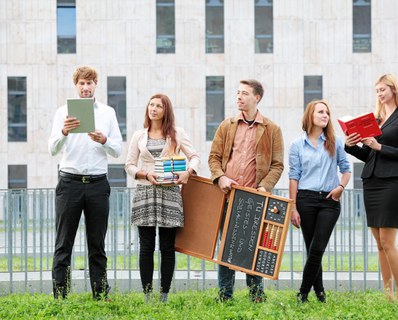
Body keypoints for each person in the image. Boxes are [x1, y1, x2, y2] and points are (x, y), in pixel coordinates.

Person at [48, 65, 123, 300]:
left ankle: (100, 293)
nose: (85, 87)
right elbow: (52, 149)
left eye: (89, 83)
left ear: (95, 85)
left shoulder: (108, 113)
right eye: (81, 83)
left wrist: (104, 139)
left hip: (98, 184)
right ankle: (60, 295)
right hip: (69, 183)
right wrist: (64, 132)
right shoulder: (63, 113)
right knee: (63, 243)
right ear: (76, 85)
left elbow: (118, 150)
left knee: (97, 244)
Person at [209, 79, 284, 303]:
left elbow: (277, 165)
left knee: (253, 245)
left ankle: (256, 295)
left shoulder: (272, 129)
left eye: (244, 93)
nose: (239, 97)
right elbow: (214, 157)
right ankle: (224, 296)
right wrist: (220, 177)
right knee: (226, 246)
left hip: (254, 197)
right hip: (228, 195)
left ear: (257, 97)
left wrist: (264, 187)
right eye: (237, 93)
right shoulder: (226, 125)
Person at [344, 74, 398, 303]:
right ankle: (388, 294)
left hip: (391, 182)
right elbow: (369, 155)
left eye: (382, 89)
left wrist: (379, 145)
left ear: (393, 90)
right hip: (371, 181)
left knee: (388, 241)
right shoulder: (376, 119)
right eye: (376, 91)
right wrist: (351, 146)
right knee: (378, 241)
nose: (379, 94)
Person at [125, 93, 200, 303]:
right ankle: (148, 295)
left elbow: (194, 156)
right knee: (146, 246)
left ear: (165, 110)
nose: (153, 109)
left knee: (167, 247)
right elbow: (129, 164)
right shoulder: (139, 135)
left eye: (158, 106)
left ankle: (164, 294)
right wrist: (144, 174)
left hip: (169, 194)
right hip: (145, 192)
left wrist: (188, 173)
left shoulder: (177, 133)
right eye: (151, 105)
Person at [289, 99, 351, 303]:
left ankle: (303, 293)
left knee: (317, 248)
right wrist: (293, 207)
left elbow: (346, 169)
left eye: (327, 112)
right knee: (312, 248)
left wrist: (340, 188)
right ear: (310, 116)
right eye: (321, 112)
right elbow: (294, 176)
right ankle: (320, 292)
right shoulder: (297, 145)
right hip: (305, 199)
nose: (325, 115)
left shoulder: (336, 142)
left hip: (329, 201)